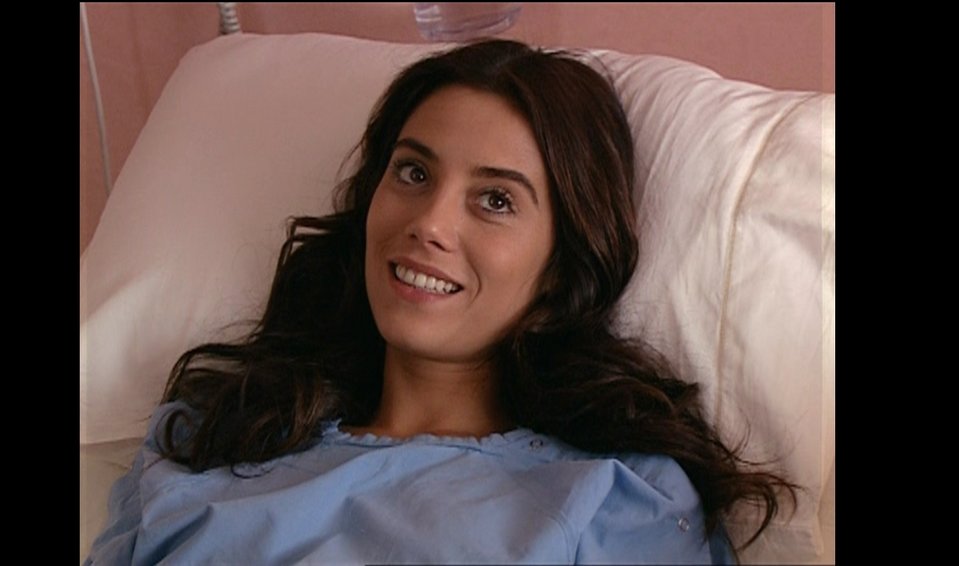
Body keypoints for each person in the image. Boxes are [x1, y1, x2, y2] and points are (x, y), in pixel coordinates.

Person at [85, 39, 795, 565]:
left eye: (495, 200)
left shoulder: (614, 497)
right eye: (413, 173)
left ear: (561, 266)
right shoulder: (207, 437)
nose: (429, 222)